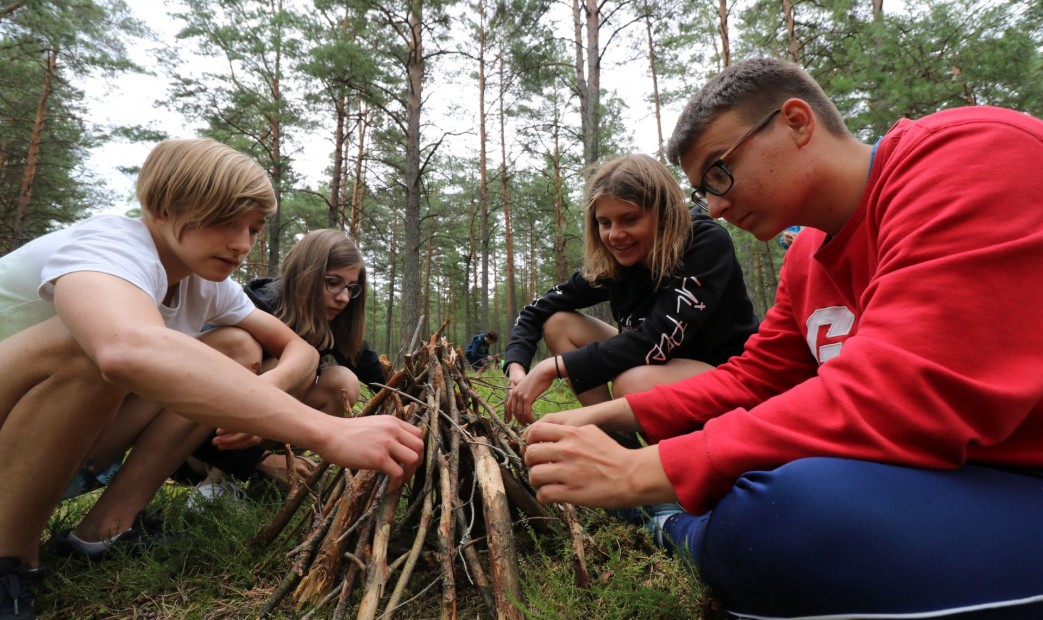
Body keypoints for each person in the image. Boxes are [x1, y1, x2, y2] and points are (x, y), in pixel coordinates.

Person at [522, 57, 1043, 618]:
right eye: (702, 192)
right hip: (931, 480)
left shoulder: (970, 156)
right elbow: (754, 379)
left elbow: (897, 394)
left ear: (796, 121)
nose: (715, 206)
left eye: (719, 172)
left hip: (1017, 478)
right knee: (770, 494)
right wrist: (599, 417)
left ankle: (678, 527)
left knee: (781, 516)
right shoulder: (805, 259)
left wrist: (643, 471)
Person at [0, 138, 423, 620]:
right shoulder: (111, 244)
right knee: (89, 345)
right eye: (227, 222)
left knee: (235, 346)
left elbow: (301, 349)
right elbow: (124, 350)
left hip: (66, 449)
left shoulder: (207, 285)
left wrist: (258, 400)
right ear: (163, 206)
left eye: (254, 229)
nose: (243, 244)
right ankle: (9, 557)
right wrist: (326, 431)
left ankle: (105, 529)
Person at [502, 153, 758, 425]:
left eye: (630, 219)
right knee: (559, 323)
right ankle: (616, 444)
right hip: (668, 367)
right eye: (605, 223)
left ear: (663, 213)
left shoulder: (703, 244)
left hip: (733, 378)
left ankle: (677, 454)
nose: (615, 235)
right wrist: (517, 367)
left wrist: (551, 368)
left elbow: (654, 340)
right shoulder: (618, 262)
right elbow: (535, 310)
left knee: (633, 382)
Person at [185, 229, 387, 501]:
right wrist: (259, 458)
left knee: (342, 382)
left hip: (255, 441)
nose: (343, 298)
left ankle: (271, 487)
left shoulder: (335, 323)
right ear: (306, 274)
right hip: (200, 445)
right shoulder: (254, 308)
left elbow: (383, 383)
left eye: (351, 288)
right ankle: (217, 487)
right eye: (332, 282)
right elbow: (189, 396)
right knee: (282, 364)